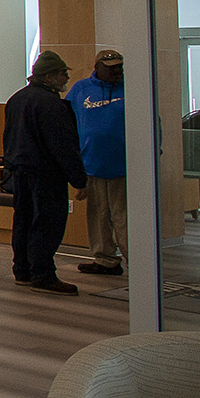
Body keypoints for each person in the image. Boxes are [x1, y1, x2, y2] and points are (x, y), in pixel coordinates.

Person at [3, 51, 89, 295]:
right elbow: (63, 146)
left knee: (23, 221)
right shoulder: (52, 105)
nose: (66, 78)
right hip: (46, 175)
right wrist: (79, 179)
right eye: (63, 73)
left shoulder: (16, 99)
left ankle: (23, 271)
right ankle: (42, 274)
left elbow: (9, 138)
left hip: (20, 173)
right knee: (47, 223)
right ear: (50, 76)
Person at [67, 49, 127, 276]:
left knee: (124, 219)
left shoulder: (133, 88)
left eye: (119, 68)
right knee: (98, 216)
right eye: (111, 68)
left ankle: (139, 262)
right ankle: (105, 260)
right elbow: (68, 123)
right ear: (98, 67)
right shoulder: (81, 89)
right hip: (91, 164)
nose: (116, 72)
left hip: (124, 167)